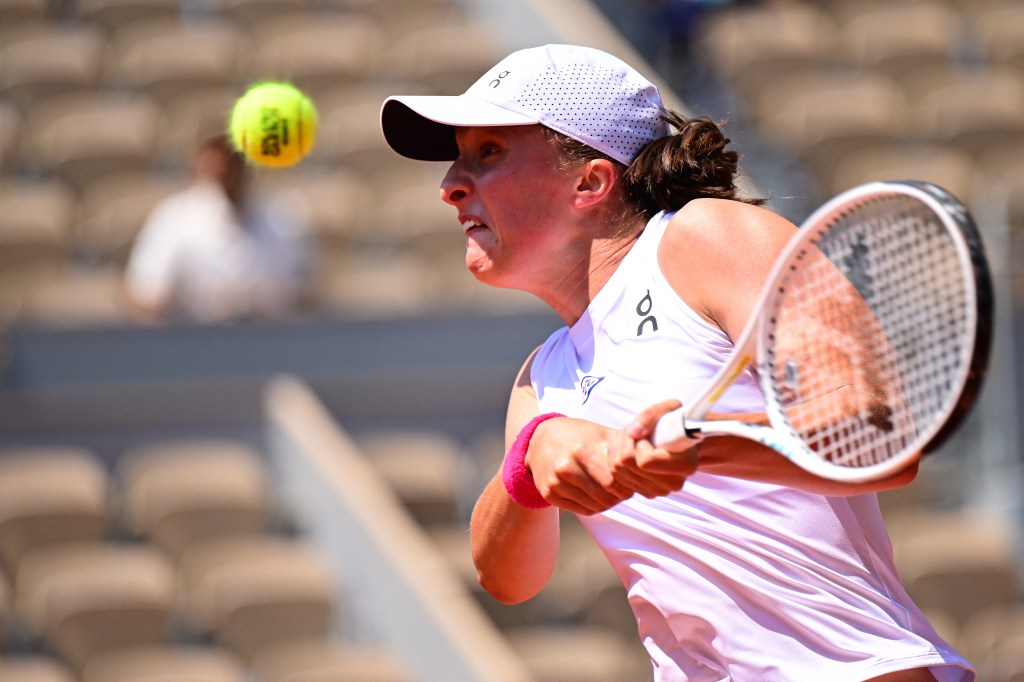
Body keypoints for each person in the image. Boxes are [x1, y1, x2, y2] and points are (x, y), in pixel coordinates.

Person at [380, 44, 974, 681]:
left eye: (488, 152)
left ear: (590, 180)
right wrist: (531, 458)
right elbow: (506, 579)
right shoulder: (539, 380)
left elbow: (879, 438)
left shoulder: (707, 237)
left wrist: (698, 445)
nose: (450, 186)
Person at [123, 132, 312, 325]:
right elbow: (143, 294)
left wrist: (274, 296)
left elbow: (310, 290)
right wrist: (193, 299)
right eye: (217, 172)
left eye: (233, 167)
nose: (226, 179)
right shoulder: (174, 218)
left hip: (269, 340)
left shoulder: (282, 216)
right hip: (193, 341)